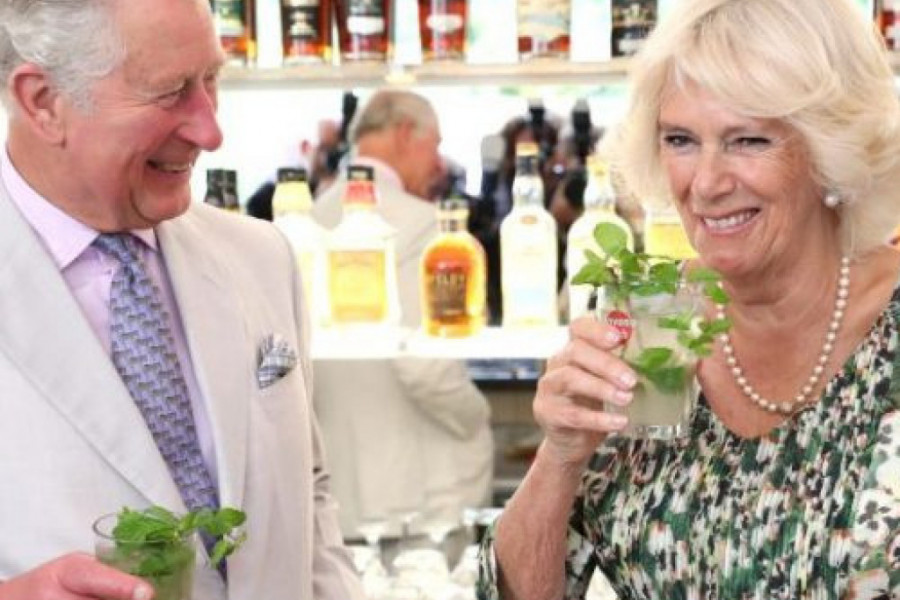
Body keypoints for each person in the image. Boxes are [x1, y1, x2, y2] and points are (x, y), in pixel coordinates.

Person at [477, 0, 900, 598]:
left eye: (747, 140)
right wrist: (561, 455)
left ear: (832, 150)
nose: (705, 183)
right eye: (680, 140)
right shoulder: (647, 319)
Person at [0, 1, 364, 599]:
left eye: (211, 79)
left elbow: (310, 496)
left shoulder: (261, 256)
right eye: (170, 92)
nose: (210, 131)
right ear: (43, 101)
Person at [311, 89, 494, 544]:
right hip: (417, 502)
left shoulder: (307, 221)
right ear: (404, 133)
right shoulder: (422, 225)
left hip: (332, 498)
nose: (438, 163)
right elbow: (427, 366)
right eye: (435, 144)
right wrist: (477, 418)